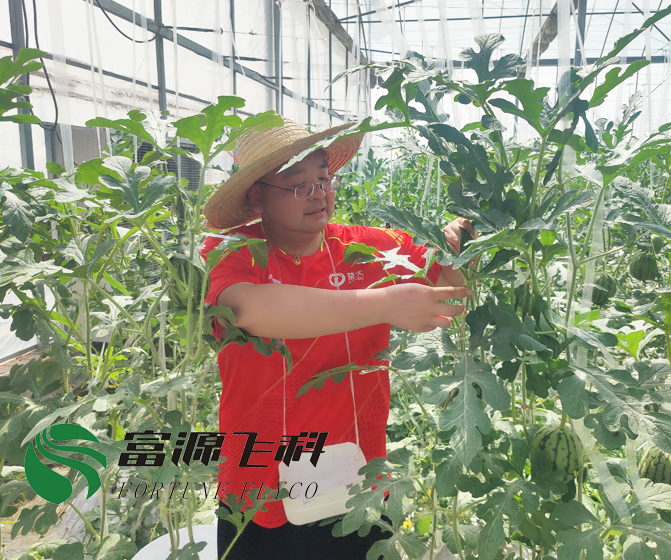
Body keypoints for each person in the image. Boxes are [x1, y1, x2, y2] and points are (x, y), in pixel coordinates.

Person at [199, 115, 475, 559]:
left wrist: (461, 248)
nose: (318, 193)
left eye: (324, 179)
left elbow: (447, 284)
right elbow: (248, 309)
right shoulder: (231, 251)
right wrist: (384, 304)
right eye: (298, 184)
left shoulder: (372, 247)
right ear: (256, 196)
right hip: (260, 473)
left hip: (356, 469)